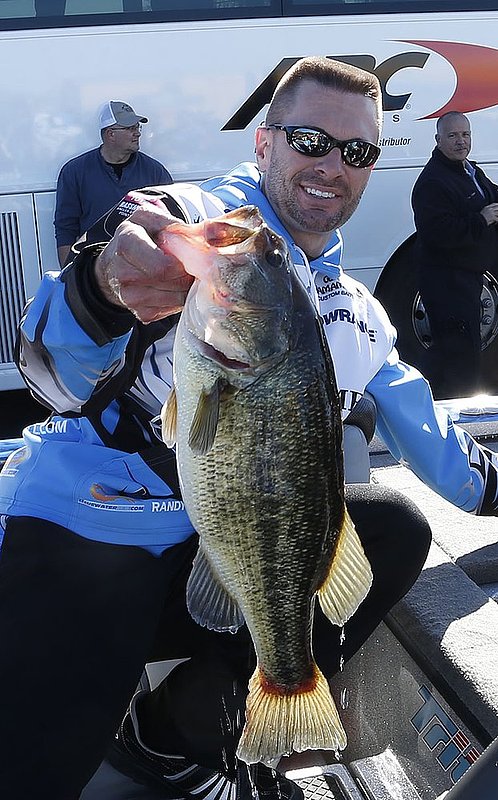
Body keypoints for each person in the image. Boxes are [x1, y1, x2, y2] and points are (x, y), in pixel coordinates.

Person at [1, 57, 498, 800]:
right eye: (309, 139)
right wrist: (104, 285)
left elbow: (426, 430)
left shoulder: (356, 311)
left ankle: (177, 735)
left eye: (356, 152)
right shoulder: (199, 225)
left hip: (223, 556)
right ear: (263, 144)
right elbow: (47, 362)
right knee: (30, 772)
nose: (332, 166)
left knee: (394, 530)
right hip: (95, 530)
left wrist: (491, 489)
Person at [411, 111, 498, 399]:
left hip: (468, 280)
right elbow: (438, 233)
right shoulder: (432, 183)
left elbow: (490, 196)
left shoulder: (469, 170)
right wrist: (481, 220)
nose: (461, 141)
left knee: (456, 352)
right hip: (447, 284)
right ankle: (456, 415)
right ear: (438, 140)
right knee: (458, 358)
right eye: (453, 135)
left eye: (465, 134)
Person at [54, 99, 172, 266]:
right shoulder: (74, 172)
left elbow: (172, 225)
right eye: (130, 128)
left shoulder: (154, 171)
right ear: (110, 134)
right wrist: (68, 277)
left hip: (145, 269)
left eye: (137, 127)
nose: (137, 133)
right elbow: (65, 228)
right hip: (94, 268)